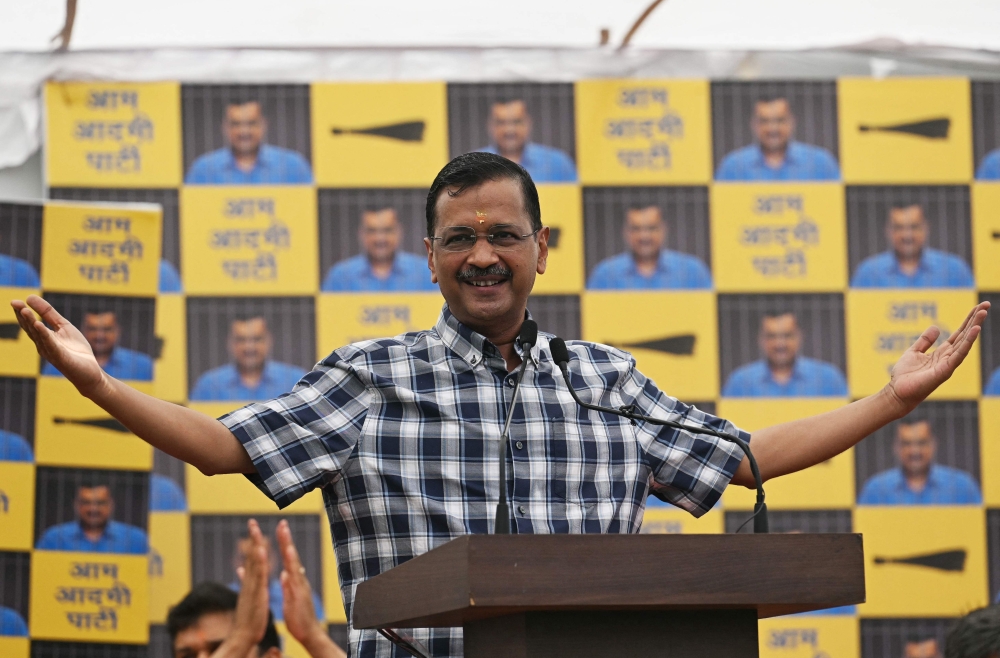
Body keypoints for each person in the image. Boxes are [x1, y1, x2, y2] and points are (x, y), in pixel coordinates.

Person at [10, 152, 991, 657]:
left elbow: (745, 459)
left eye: (503, 233)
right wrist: (98, 384)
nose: (483, 252)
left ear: (541, 248)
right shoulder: (371, 375)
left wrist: (887, 400)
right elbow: (224, 447)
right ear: (432, 258)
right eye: (459, 237)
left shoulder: (604, 378)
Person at [168, 519, 344, 658]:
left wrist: (314, 637)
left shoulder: (301, 600)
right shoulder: (238, 604)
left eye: (219, 649)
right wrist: (243, 637)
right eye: (188, 656)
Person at [185, 98, 312, 185]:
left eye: (251, 123)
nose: (244, 131)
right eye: (236, 124)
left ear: (263, 125)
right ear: (225, 127)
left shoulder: (293, 166)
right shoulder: (204, 169)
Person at [722, 311, 848, 397]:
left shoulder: (828, 379)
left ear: (799, 337)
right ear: (761, 340)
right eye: (772, 336)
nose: (780, 344)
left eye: (787, 336)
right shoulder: (740, 382)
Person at [858, 417, 981, 505]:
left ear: (933, 445)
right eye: (906, 444)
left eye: (921, 443)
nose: (914, 451)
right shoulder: (876, 489)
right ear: (895, 447)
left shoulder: (962, 487)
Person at [715, 95, 840, 181]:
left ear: (792, 122)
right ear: (754, 125)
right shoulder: (733, 165)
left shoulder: (821, 163)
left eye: (779, 121)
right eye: (764, 121)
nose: (772, 129)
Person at [586, 205, 712, 290]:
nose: (644, 236)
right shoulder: (605, 274)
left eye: (651, 228)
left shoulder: (692, 272)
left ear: (663, 230)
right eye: (636, 229)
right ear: (626, 233)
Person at [851, 204, 974, 288]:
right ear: (888, 231)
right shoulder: (868, 272)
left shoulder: (955, 270)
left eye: (914, 227)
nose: (906, 235)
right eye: (899, 228)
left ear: (926, 228)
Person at [190, 316, 307, 402]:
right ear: (230, 343)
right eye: (241, 340)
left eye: (256, 339)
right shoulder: (209, 384)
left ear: (269, 341)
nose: (249, 347)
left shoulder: (295, 379)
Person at [321, 208, 436, 292]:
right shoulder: (341, 276)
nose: (380, 238)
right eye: (372, 231)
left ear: (399, 232)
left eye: (387, 230)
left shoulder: (425, 272)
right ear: (361, 234)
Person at [229, 529, 325, 623]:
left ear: (274, 559)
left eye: (262, 557)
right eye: (245, 558)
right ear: (234, 560)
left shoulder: (300, 598)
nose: (254, 566)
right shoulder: (224, 600)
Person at [475, 98, 577, 183]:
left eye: (517, 122)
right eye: (501, 122)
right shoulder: (474, 163)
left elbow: (577, 201)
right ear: (490, 126)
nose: (509, 130)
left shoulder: (558, 163)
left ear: (528, 123)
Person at [41, 309, 153, 381]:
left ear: (118, 331)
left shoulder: (142, 366)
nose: (99, 335)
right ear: (82, 330)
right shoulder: (59, 363)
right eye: (93, 329)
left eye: (106, 329)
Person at [35, 483, 148, 554]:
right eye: (86, 503)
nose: (93, 509)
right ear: (76, 505)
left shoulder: (135, 539)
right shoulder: (55, 538)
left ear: (111, 505)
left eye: (100, 503)